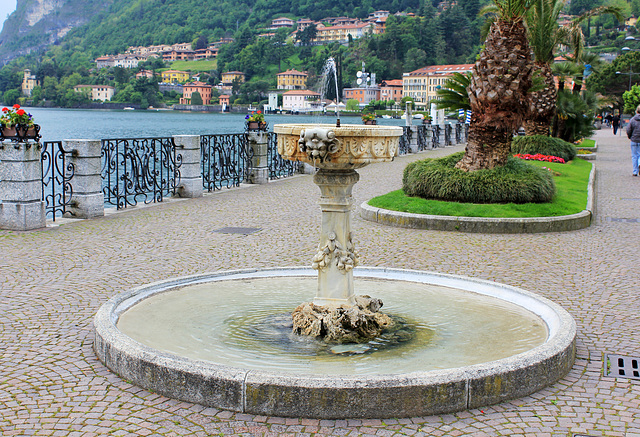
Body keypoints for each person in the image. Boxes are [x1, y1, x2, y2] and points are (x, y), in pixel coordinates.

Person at [625, 105, 640, 176]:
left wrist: (630, 137)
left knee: (634, 156)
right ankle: (639, 163)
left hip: (634, 139)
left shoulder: (632, 119)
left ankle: (635, 171)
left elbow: (628, 129)